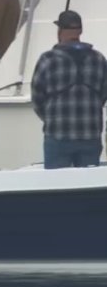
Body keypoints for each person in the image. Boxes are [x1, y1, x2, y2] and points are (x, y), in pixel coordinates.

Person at [31, 11, 107, 169]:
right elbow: (103, 95)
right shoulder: (99, 59)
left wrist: (51, 119)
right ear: (80, 31)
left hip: (58, 134)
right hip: (90, 134)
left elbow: (37, 98)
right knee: (88, 182)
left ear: (60, 32)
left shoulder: (47, 60)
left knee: (56, 182)